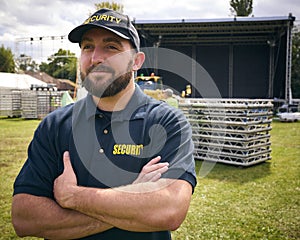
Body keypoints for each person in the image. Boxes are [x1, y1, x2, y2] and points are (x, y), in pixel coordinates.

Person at [11, 8, 197, 240]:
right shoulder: (55, 125)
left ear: (136, 61)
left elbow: (169, 211)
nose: (95, 57)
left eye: (111, 47)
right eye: (87, 46)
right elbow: (24, 218)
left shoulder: (167, 122)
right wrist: (134, 198)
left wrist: (73, 197)